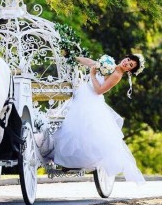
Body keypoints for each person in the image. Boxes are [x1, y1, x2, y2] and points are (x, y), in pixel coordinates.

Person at [53, 54, 146, 183]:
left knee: (79, 130)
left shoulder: (117, 75)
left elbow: (99, 90)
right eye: (128, 60)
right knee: (73, 128)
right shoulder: (110, 64)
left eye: (130, 65)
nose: (127, 63)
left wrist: (92, 75)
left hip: (91, 99)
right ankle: (68, 160)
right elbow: (91, 63)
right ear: (125, 58)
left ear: (129, 70)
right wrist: (74, 57)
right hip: (84, 94)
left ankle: (73, 162)